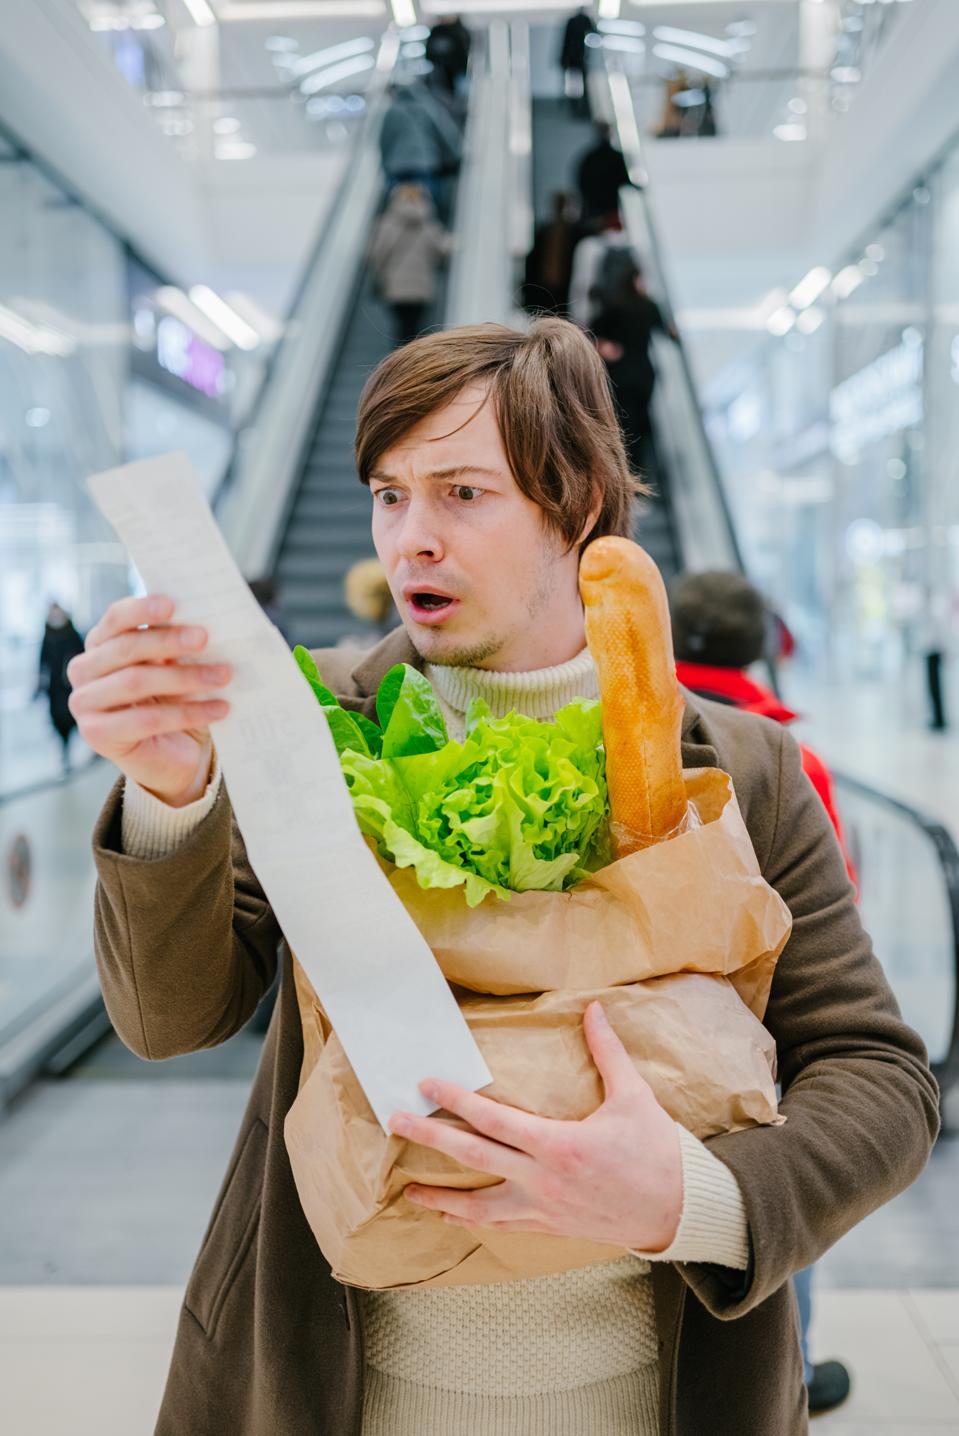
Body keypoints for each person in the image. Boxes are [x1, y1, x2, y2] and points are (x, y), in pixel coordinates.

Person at [70, 318, 938, 1436]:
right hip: (336, 1389)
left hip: (649, 1393)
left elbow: (877, 1076)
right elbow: (172, 1018)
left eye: (462, 493)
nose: (409, 539)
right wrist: (168, 791)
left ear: (576, 507)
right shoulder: (314, 722)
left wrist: (686, 1196)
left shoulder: (736, 766)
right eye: (389, 493)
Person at [669, 568, 859, 1418]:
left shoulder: (616, 733)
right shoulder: (787, 759)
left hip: (652, 1022)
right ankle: (795, 1362)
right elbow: (833, 904)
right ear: (759, 646)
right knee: (769, 1197)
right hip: (757, 1026)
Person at [590, 260, 678, 469]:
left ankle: (622, 467)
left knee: (622, 421)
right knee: (641, 421)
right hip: (643, 373)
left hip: (619, 372)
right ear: (636, 280)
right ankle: (638, 470)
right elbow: (670, 334)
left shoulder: (614, 307)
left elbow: (593, 334)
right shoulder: (649, 306)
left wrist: (606, 348)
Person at [369, 183, 453, 347]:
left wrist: (378, 276)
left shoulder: (387, 224)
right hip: (421, 287)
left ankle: (398, 360)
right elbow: (442, 249)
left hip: (395, 287)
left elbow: (376, 254)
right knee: (418, 327)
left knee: (401, 327)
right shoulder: (429, 225)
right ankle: (415, 359)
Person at [378, 79, 462, 223]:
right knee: (425, 207)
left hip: (397, 169)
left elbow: (384, 141)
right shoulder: (425, 107)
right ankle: (429, 237)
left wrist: (386, 167)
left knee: (397, 207)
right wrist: (455, 156)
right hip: (423, 166)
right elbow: (442, 131)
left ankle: (398, 237)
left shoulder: (392, 111)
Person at [36, 602, 85, 773]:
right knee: (57, 719)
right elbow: (42, 662)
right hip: (54, 689)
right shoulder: (47, 636)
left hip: (70, 687)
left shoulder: (72, 634)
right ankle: (65, 751)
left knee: (71, 717)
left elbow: (82, 655)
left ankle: (72, 745)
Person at [567, 210, 634, 327]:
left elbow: (581, 284)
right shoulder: (630, 250)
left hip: (594, 312)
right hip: (619, 316)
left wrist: (577, 318)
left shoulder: (589, 246)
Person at [522, 191, 580, 315]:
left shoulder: (576, 233)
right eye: (559, 206)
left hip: (566, 291)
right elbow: (532, 263)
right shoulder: (544, 231)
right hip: (544, 288)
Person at [576, 120, 633, 224]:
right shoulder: (615, 157)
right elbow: (624, 179)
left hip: (593, 207)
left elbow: (581, 182)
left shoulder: (589, 158)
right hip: (610, 207)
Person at [559, 8, 595, 118]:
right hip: (579, 59)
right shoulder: (585, 21)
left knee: (574, 86)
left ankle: (577, 108)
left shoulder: (573, 21)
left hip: (573, 59)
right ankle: (581, 109)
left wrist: (563, 60)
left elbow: (565, 41)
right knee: (578, 85)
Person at [425, 15, 471, 95]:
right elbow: (429, 54)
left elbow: (465, 52)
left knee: (462, 93)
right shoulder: (436, 31)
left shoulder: (460, 31)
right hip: (440, 74)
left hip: (459, 72)